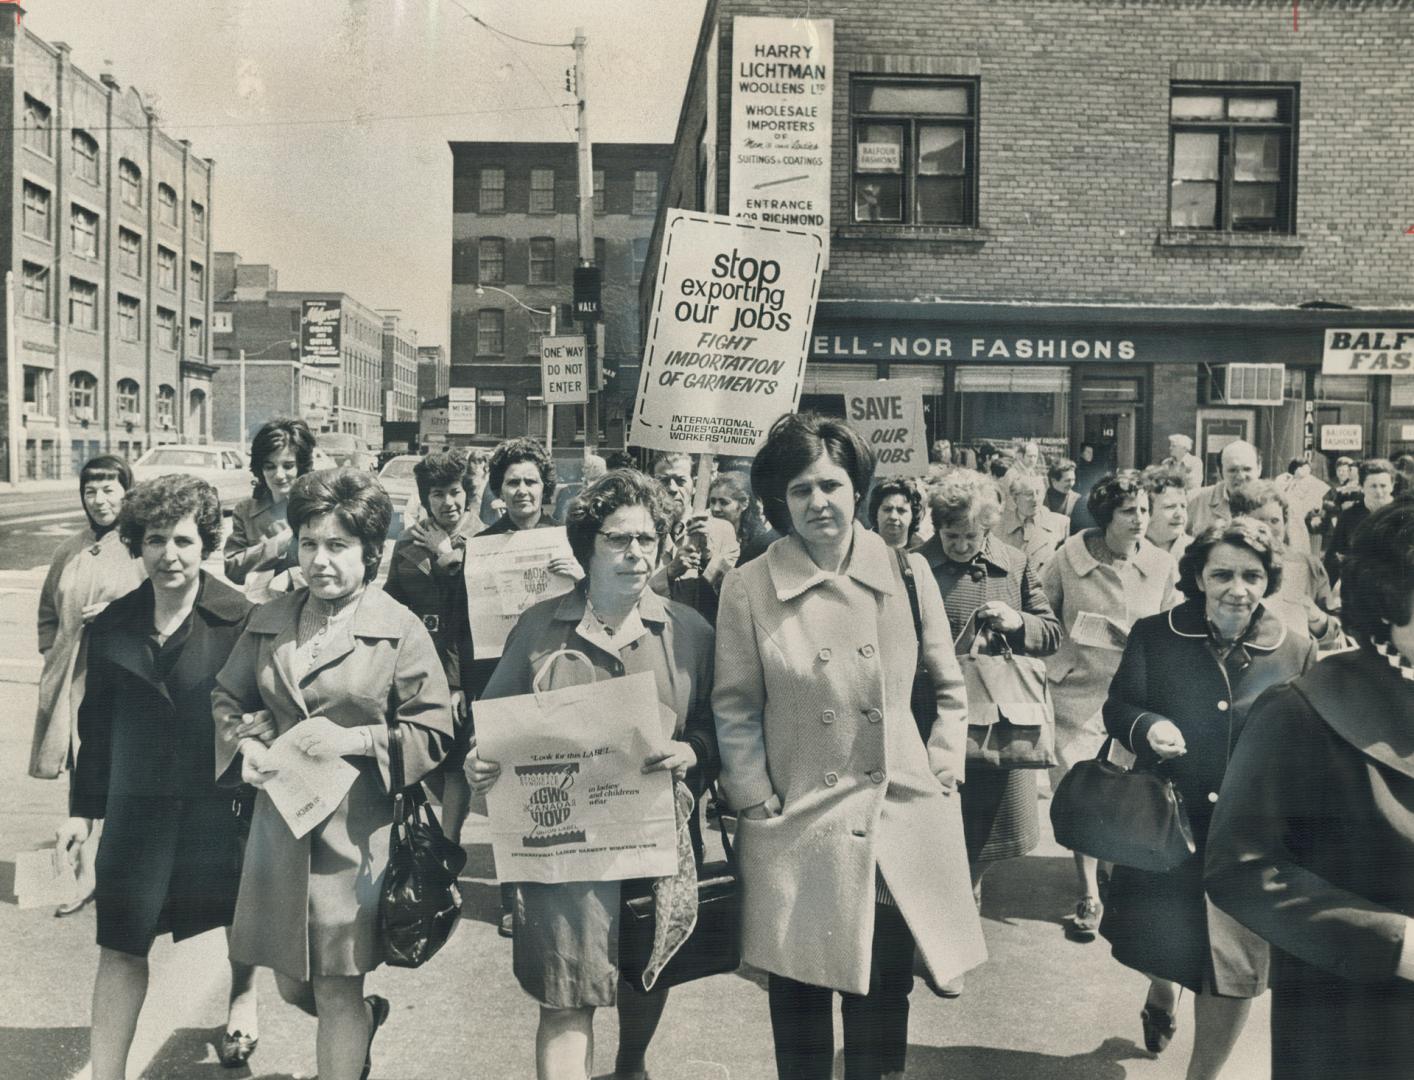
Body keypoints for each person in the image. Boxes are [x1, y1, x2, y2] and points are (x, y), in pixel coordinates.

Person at [713, 413, 986, 1080]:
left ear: (857, 488)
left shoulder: (908, 574)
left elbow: (951, 689)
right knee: (800, 1004)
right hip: (798, 823)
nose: (818, 503)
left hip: (896, 820)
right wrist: (754, 800)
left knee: (883, 1002)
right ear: (779, 500)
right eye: (800, 490)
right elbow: (736, 707)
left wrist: (945, 764)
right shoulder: (749, 586)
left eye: (831, 486)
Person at [467, 469, 717, 1080]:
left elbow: (722, 727)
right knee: (564, 997)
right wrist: (480, 762)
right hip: (562, 851)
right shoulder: (537, 625)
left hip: (653, 843)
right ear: (587, 547)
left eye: (647, 539)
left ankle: (631, 1062)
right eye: (617, 539)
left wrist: (694, 754)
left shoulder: (690, 633)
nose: (635, 553)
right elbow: (496, 726)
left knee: (643, 978)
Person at [213, 468, 454, 1080]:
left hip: (356, 839)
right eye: (309, 544)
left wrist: (359, 738)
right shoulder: (269, 618)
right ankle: (365, 1023)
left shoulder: (399, 628)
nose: (320, 561)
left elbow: (434, 731)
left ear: (371, 553)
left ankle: (348, 1041)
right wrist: (243, 742)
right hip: (278, 833)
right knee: (295, 987)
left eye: (338, 546)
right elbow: (226, 697)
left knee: (336, 987)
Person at [57, 475, 262, 1077]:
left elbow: (262, 711)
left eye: (183, 541)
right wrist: (80, 812)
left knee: (236, 921)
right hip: (136, 811)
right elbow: (95, 728)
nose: (168, 555)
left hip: (218, 806)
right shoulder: (113, 624)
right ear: (136, 544)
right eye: (153, 541)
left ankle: (243, 995)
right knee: (120, 946)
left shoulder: (242, 619)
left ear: (206, 545)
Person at [1097, 518, 1315, 1078]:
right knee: (1166, 939)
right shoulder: (1155, 633)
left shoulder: (1297, 648)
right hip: (1169, 822)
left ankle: (1204, 1075)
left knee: (1234, 965)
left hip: (1252, 836)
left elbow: (1313, 740)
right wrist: (1146, 727)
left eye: (1252, 575)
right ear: (1197, 576)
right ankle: (1163, 990)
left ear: (1269, 580)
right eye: (1222, 574)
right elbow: (1119, 708)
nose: (1237, 589)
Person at [1206, 502, 1414, 1080]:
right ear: (1390, 598)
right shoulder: (1304, 709)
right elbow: (1240, 868)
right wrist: (1397, 942)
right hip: (1355, 1022)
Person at [920, 472, 1061, 944]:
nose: (959, 546)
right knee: (935, 827)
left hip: (995, 722)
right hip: (931, 719)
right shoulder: (913, 567)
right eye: (950, 535)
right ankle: (945, 925)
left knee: (983, 829)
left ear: (988, 529)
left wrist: (1017, 620)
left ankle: (965, 907)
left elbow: (1051, 633)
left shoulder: (1015, 564)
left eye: (970, 536)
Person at [1041, 470, 1181, 942]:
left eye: (1144, 510)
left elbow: (1172, 625)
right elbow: (1043, 616)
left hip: (1133, 695)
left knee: (1123, 789)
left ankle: (1114, 874)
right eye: (1129, 511)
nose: (1140, 519)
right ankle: (1089, 894)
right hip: (1074, 691)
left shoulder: (1162, 565)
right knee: (1084, 788)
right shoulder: (1067, 558)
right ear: (1106, 517)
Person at [30, 455, 145, 914]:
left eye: (109, 490)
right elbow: (46, 613)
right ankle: (82, 878)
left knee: (129, 775)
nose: (99, 501)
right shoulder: (69, 549)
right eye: (90, 491)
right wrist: (55, 655)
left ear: (127, 493)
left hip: (127, 682)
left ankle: (130, 876)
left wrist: (123, 614)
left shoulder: (141, 545)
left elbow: (166, 603)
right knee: (83, 778)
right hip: (76, 685)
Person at [382, 448, 477, 842]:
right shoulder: (406, 545)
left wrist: (446, 555)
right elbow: (390, 604)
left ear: (467, 493)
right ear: (425, 499)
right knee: (424, 757)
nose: (448, 502)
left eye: (454, 491)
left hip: (464, 668)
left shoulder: (482, 542)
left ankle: (448, 848)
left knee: (457, 763)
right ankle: (438, 835)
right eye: (437, 494)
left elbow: (466, 612)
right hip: (418, 667)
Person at [1229, 480, 1341, 646]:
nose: (1268, 529)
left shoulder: (1308, 565)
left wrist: (1314, 615)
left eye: (1275, 521)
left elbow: (1334, 633)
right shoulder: (1225, 562)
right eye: (1260, 521)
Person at [225, 418, 318, 599]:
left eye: (288, 466)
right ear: (260, 469)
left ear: (301, 466)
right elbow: (232, 568)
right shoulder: (245, 511)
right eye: (270, 467)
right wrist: (278, 545)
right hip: (261, 610)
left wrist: (293, 575)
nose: (279, 475)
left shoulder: (317, 508)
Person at [649, 452, 740, 623]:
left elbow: (735, 593)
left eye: (680, 481)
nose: (672, 488)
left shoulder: (722, 530)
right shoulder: (642, 533)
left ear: (694, 484)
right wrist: (669, 572)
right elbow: (632, 595)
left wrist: (709, 556)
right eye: (664, 481)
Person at [1324, 457, 1396, 587]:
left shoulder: (1405, 515)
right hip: (1359, 592)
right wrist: (1324, 593)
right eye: (1373, 486)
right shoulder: (1349, 516)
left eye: (1383, 486)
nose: (1379, 492)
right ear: (1362, 487)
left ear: (1392, 485)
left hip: (1396, 594)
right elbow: (1333, 558)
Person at [996, 470, 1068, 574]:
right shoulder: (998, 526)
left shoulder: (1061, 523)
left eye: (1039, 492)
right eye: (1029, 494)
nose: (1035, 499)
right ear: (1015, 498)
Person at [1187, 439, 1260, 538]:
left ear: (1259, 469)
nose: (1240, 476)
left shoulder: (1274, 503)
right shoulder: (1195, 500)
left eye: (1247, 469)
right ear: (1220, 471)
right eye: (1232, 470)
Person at [709, 469, 777, 563]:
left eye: (724, 502)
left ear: (744, 504)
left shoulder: (759, 544)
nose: (715, 509)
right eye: (712, 501)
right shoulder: (705, 536)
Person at [1143, 465, 1194, 564]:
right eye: (1170, 507)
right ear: (1146, 511)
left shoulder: (1197, 552)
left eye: (1183, 506)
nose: (1179, 514)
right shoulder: (1130, 550)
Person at [867, 477, 925, 553]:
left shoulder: (923, 550)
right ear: (875, 513)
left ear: (913, 516)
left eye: (901, 511)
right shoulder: (862, 545)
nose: (893, 516)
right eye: (887, 509)